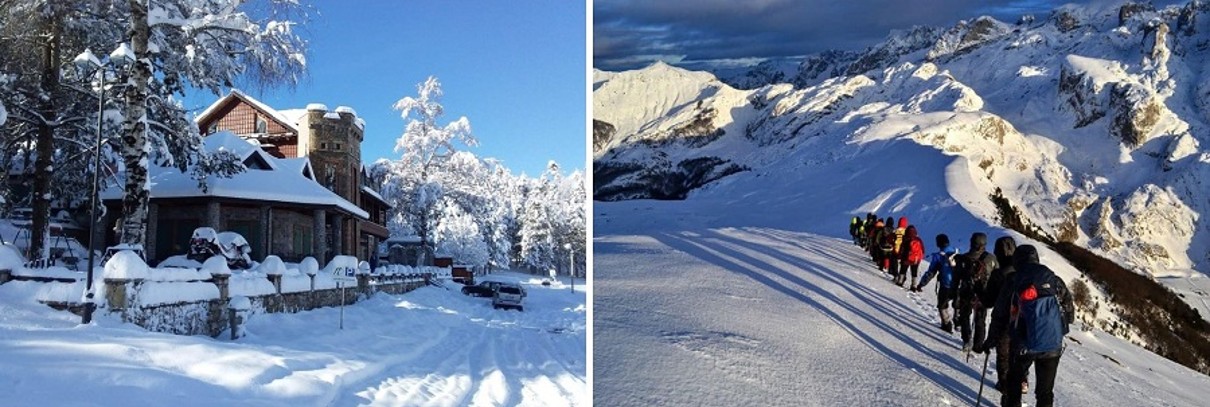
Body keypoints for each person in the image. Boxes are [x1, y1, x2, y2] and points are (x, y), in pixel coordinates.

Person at [975, 245, 1075, 407]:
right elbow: (1069, 312)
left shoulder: (1013, 280)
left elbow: (999, 315)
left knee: (1014, 384)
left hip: (1023, 343)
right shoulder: (1054, 279)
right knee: (1045, 392)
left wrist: (990, 341)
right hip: (1053, 344)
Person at [984, 236, 1019, 392]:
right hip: (1023, 322)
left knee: (1003, 355)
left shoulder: (998, 274)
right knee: (1017, 356)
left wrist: (979, 289)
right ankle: (1019, 384)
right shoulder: (1024, 272)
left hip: (1003, 322)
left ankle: (1004, 385)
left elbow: (988, 301)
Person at [954, 232, 998, 351]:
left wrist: (953, 293)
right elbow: (997, 276)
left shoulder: (963, 258)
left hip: (966, 291)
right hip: (983, 294)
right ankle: (978, 345)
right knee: (980, 319)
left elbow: (956, 277)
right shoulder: (991, 259)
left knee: (964, 316)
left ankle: (967, 339)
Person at [911, 234, 959, 333]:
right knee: (956, 304)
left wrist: (921, 284)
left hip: (945, 285)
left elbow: (931, 273)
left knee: (942, 305)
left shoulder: (938, 256)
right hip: (958, 285)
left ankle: (947, 324)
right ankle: (957, 320)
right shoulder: (956, 251)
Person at [889, 217, 908, 281]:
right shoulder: (907, 232)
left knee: (894, 262)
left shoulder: (895, 231)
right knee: (903, 265)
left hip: (895, 250)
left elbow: (889, 239)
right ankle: (902, 277)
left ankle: (896, 275)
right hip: (904, 251)